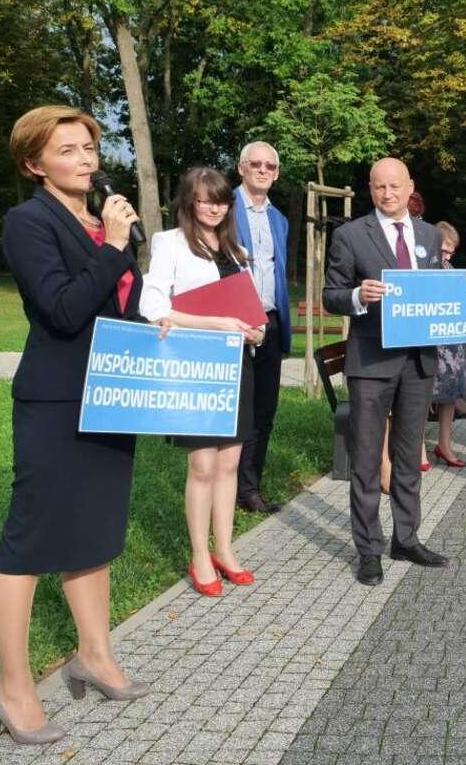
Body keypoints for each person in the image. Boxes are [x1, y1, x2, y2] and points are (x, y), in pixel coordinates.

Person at [0, 106, 150, 745]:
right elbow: (61, 309)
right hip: (56, 400)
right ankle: (12, 689)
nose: (85, 159)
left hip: (111, 394)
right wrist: (112, 248)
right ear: (35, 164)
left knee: (95, 529)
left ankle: (95, 656)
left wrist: (152, 327)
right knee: (29, 544)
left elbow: (116, 305)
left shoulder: (104, 220)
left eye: (89, 147)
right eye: (68, 150)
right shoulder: (28, 223)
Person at [323, 157, 466, 585]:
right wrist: (357, 295)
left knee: (410, 454)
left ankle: (406, 538)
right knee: (366, 459)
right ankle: (368, 549)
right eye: (379, 187)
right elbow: (331, 295)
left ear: (410, 187)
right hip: (371, 361)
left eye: (395, 186)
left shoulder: (429, 235)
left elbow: (437, 288)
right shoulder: (350, 235)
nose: (387, 194)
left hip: (418, 361)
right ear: (370, 189)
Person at [141, 168, 266, 594]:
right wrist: (216, 324)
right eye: (205, 200)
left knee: (230, 464)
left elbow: (252, 310)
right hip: (195, 366)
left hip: (237, 365)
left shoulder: (237, 249)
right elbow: (153, 305)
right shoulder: (169, 243)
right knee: (203, 466)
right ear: (188, 201)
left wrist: (256, 331)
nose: (214, 208)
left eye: (221, 200)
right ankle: (199, 556)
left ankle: (225, 549)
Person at [232, 141, 290, 514]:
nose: (263, 170)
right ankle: (228, 487)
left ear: (277, 173)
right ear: (241, 167)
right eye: (256, 164)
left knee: (264, 410)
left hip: (270, 321)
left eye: (270, 166)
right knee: (237, 412)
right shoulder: (222, 208)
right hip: (233, 322)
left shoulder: (279, 219)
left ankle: (250, 489)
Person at [430, 220, 466, 467]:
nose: (447, 256)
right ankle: (417, 449)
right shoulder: (420, 266)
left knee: (449, 394)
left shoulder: (449, 267)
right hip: (428, 341)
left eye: (451, 252)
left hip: (449, 342)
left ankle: (444, 444)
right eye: (444, 250)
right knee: (423, 394)